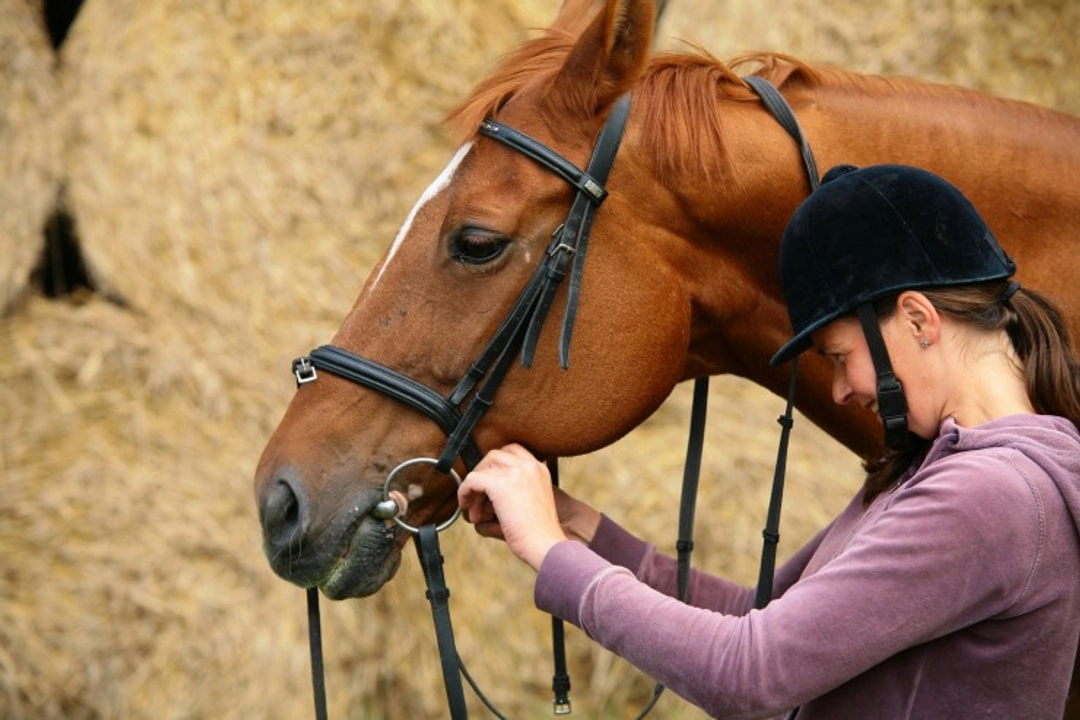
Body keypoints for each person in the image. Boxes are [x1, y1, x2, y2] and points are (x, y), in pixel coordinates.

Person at [457, 164, 1080, 719]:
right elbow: (760, 617)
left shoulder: (988, 496)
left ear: (918, 320)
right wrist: (577, 526)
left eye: (839, 356)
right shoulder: (950, 473)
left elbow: (749, 673)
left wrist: (549, 552)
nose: (840, 390)